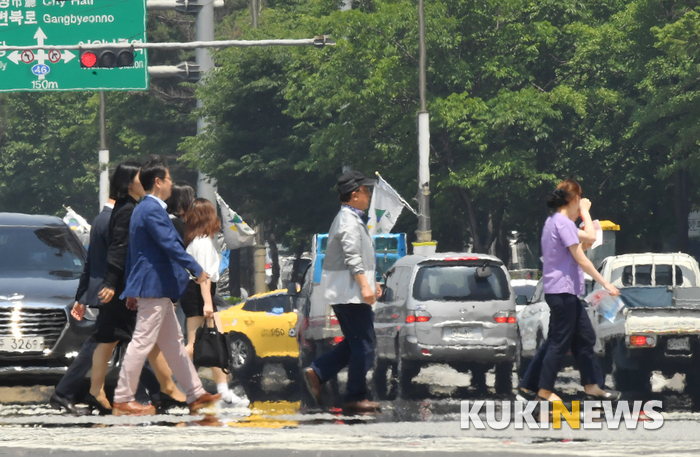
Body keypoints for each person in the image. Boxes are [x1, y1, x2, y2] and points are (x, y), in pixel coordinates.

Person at [112, 157, 220, 416]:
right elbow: (169, 245)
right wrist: (196, 269)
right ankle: (123, 397)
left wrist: (131, 289)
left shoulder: (144, 208)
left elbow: (134, 254)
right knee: (141, 342)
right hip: (155, 285)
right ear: (158, 182)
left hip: (152, 286)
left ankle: (196, 394)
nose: (172, 184)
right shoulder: (151, 210)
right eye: (169, 179)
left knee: (173, 342)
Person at [88, 160, 187, 414]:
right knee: (133, 339)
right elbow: (120, 249)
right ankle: (161, 391)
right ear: (129, 181)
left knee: (115, 339)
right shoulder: (129, 210)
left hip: (125, 286)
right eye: (138, 177)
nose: (143, 181)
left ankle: (100, 391)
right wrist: (112, 283)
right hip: (125, 288)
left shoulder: (129, 207)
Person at [518, 179, 621, 404]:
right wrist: (606, 283)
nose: (580, 207)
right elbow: (583, 257)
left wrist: (582, 216)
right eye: (579, 201)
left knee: (584, 337)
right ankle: (544, 390)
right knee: (559, 342)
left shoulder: (555, 222)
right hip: (562, 292)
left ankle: (590, 385)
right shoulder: (562, 224)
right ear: (574, 200)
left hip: (565, 292)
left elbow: (587, 239)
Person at [302, 170, 382, 413]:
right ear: (355, 194)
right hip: (349, 293)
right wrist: (365, 285)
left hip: (349, 292)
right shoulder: (347, 220)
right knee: (364, 344)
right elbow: (352, 256)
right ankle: (354, 396)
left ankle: (317, 373)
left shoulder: (352, 218)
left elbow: (361, 259)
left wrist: (372, 281)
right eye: (366, 191)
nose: (369, 195)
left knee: (356, 343)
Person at [50, 191, 115, 415]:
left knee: (126, 340)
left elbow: (88, 263)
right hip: (111, 292)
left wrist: (81, 296)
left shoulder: (101, 220)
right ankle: (69, 391)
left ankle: (76, 391)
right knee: (127, 340)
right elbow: (106, 262)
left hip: (107, 291)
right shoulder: (110, 220)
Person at [182, 198, 249, 408]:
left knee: (216, 341)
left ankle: (222, 391)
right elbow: (203, 276)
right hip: (199, 294)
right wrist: (208, 304)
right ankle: (172, 382)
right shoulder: (201, 242)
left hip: (201, 293)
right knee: (194, 345)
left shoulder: (198, 240)